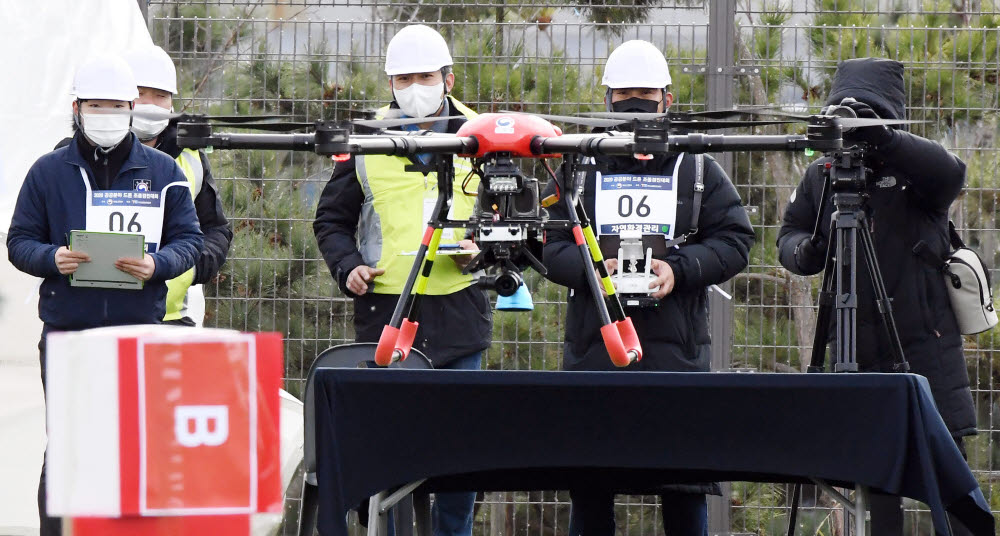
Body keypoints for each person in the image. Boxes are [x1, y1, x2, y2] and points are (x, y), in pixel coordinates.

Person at [541, 40, 755, 536]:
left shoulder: (697, 165)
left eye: (644, 92)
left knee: (683, 491)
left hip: (675, 353)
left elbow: (736, 239)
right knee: (591, 488)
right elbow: (549, 243)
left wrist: (679, 270)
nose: (634, 102)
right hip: (596, 349)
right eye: (623, 93)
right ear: (607, 99)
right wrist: (594, 271)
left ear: (668, 99)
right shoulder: (578, 167)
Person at [777, 57, 978, 535]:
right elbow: (789, 234)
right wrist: (807, 251)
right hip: (854, 346)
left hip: (922, 347)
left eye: (866, 117)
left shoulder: (915, 172)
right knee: (877, 479)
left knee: (950, 479)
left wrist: (884, 139)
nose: (854, 131)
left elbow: (951, 173)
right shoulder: (823, 174)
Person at [6, 55, 203, 536]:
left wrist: (159, 264)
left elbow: (191, 240)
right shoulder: (48, 172)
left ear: (132, 108)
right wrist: (52, 258)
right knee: (68, 448)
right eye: (96, 105)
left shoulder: (163, 171)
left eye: (116, 106)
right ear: (76, 108)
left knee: (137, 448)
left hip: (139, 332)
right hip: (69, 332)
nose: (107, 115)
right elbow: (19, 241)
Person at [313, 24, 490, 536]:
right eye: (403, 78)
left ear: (448, 78)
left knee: (459, 460)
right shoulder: (367, 141)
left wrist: (488, 252)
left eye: (425, 76)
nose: (415, 87)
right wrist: (349, 267)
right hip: (386, 316)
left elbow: (514, 217)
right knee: (390, 460)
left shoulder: (486, 137)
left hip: (460, 314)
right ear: (390, 82)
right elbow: (331, 220)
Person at [123, 45, 232, 326]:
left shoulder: (191, 157)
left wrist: (192, 268)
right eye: (140, 94)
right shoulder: (84, 155)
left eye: (160, 96)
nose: (149, 104)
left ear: (172, 103)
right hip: (96, 317)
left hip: (171, 319)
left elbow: (215, 228)